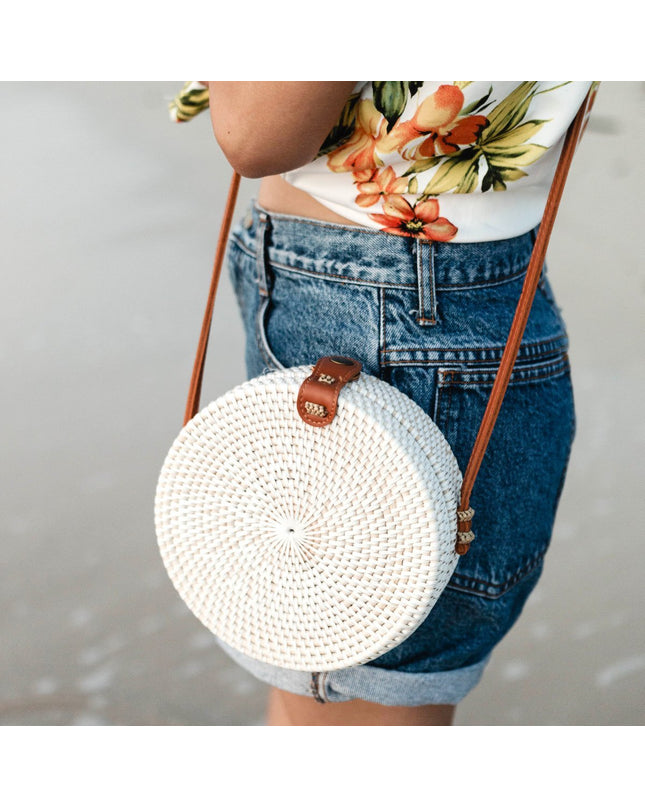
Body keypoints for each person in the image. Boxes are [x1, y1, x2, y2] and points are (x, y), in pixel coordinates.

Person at [170, 81, 596, 725]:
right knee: (330, 693)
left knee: (349, 708)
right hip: (452, 293)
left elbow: (257, 134)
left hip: (383, 305)